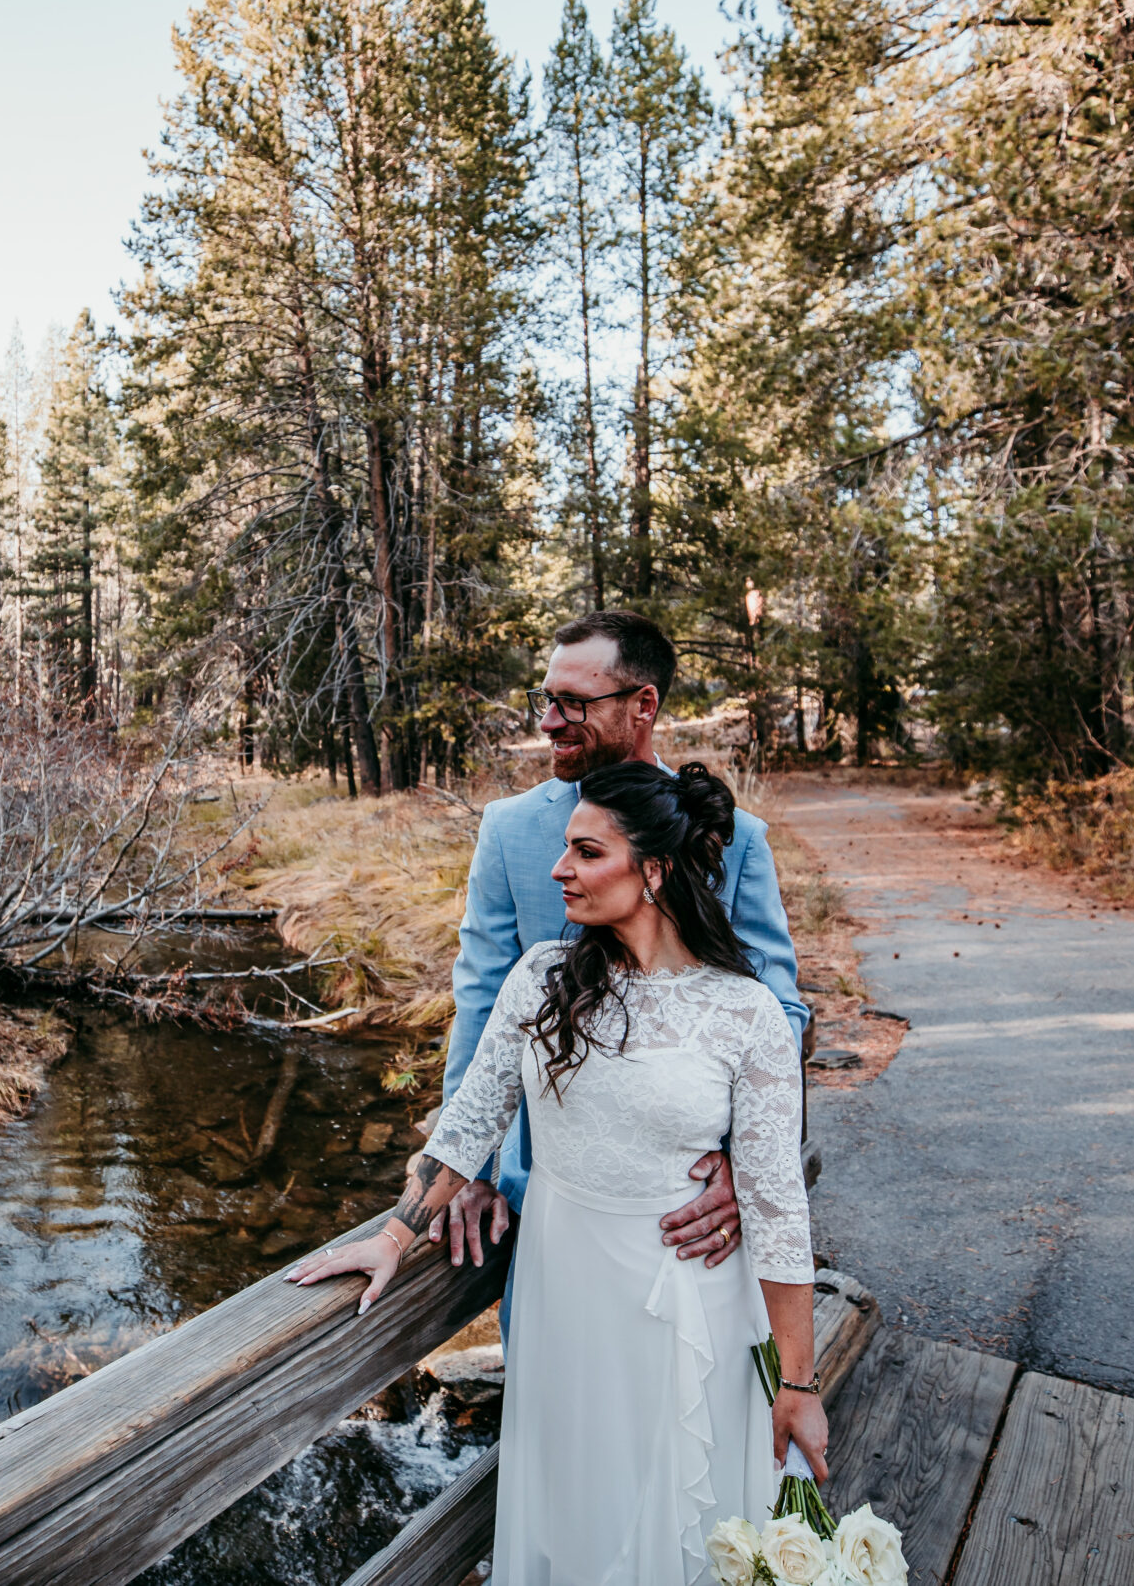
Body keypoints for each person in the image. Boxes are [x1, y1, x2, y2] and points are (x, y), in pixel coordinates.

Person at [290, 761, 821, 1586]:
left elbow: (780, 1207)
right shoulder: (543, 977)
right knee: (579, 1501)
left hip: (691, 1296)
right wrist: (394, 1234)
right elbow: (472, 1118)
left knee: (685, 1509)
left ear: (654, 869)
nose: (558, 869)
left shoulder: (742, 1010)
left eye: (585, 851)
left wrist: (798, 1382)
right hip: (565, 1286)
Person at [437, 611, 810, 1280]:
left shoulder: (736, 838)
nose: (548, 721)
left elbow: (778, 1013)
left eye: (573, 702)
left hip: (691, 1210)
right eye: (547, 699)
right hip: (549, 1201)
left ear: (644, 705)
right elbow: (481, 1004)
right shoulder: (508, 831)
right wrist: (467, 1169)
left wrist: (745, 1164)